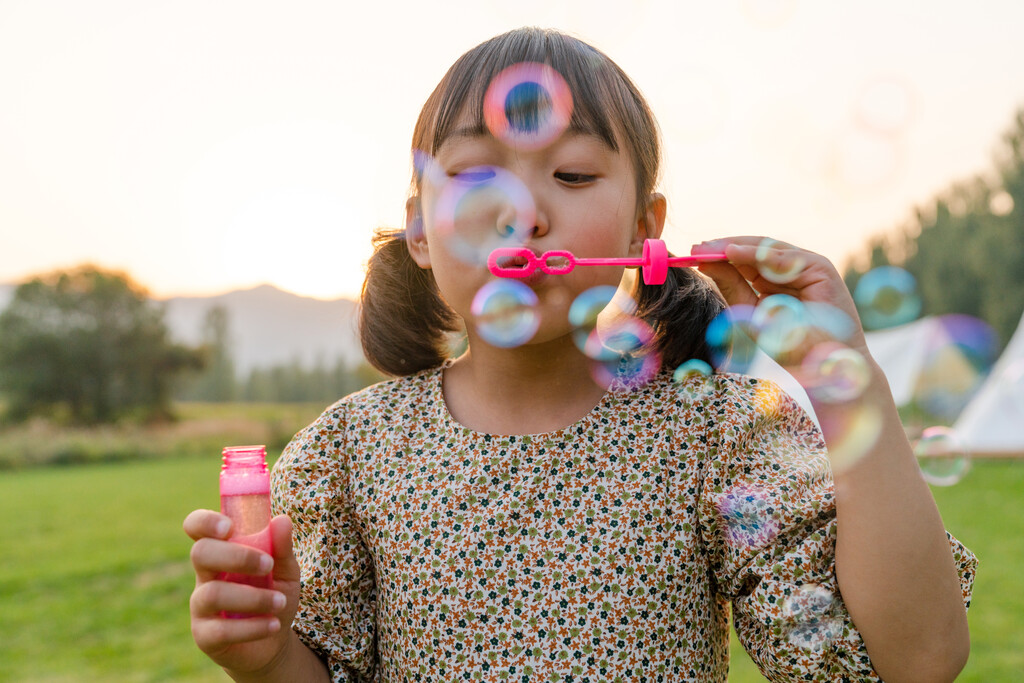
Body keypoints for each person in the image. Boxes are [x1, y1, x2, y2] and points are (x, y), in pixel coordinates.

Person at [183, 27, 975, 682]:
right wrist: (268, 656)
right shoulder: (349, 454)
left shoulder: (718, 434)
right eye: (475, 174)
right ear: (420, 229)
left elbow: (918, 662)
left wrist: (846, 384)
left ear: (643, 231)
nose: (521, 212)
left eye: (571, 173)